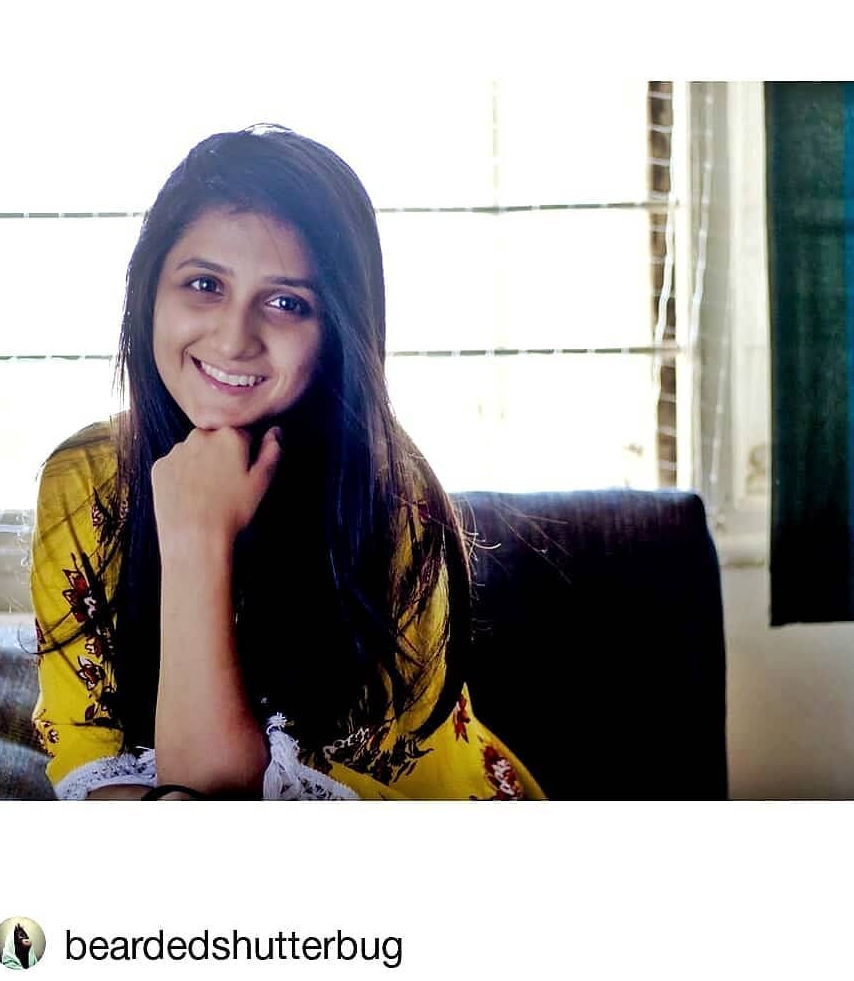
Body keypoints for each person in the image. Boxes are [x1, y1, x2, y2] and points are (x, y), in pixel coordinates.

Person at [30, 125, 544, 801]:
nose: (234, 339)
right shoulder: (85, 481)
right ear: (149, 292)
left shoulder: (388, 501)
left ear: (337, 330)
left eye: (286, 303)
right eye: (205, 284)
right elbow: (88, 759)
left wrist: (198, 540)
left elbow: (241, 796)